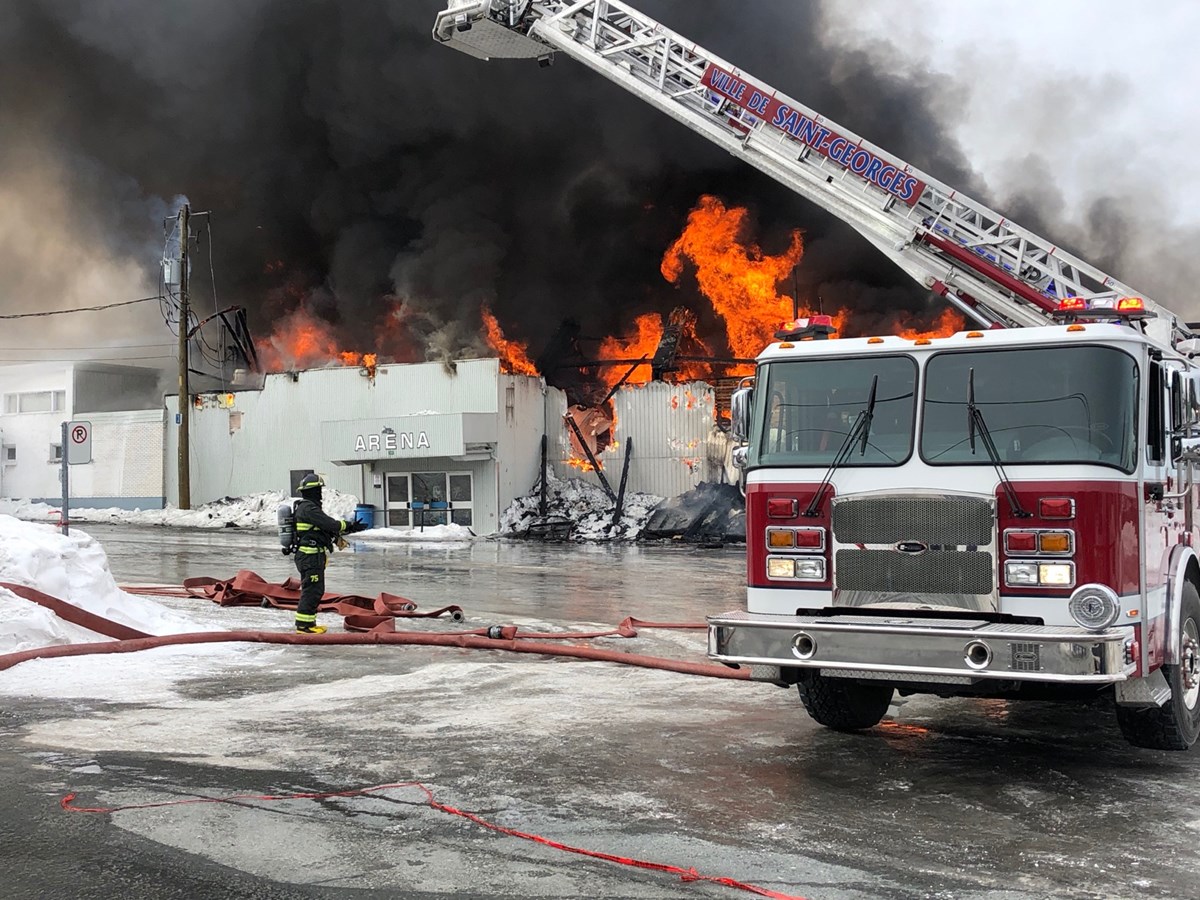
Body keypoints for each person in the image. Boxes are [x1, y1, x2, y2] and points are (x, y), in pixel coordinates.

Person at [291, 472, 366, 634]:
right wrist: (348, 525)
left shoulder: (309, 507)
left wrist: (346, 530)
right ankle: (304, 626)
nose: (320, 493)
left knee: (315, 590)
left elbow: (323, 528)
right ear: (313, 491)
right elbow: (329, 524)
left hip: (313, 556)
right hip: (309, 556)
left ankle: (309, 624)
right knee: (312, 591)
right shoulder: (308, 508)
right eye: (318, 490)